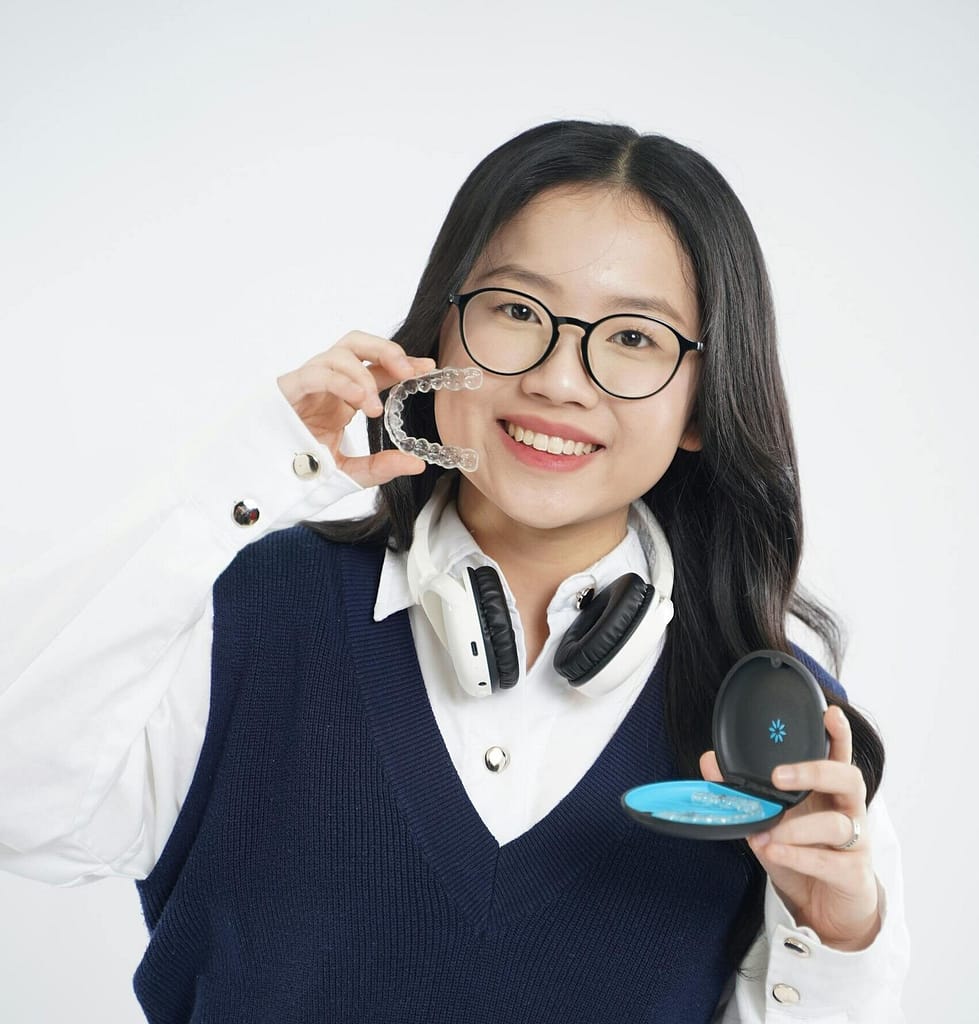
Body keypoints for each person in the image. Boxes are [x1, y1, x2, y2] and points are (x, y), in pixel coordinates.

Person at [0, 120, 908, 1022]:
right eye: (517, 312)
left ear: (703, 404)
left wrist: (831, 936)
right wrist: (242, 474)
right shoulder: (250, 610)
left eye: (634, 338)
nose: (560, 379)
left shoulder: (773, 721)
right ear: (441, 331)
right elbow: (20, 800)